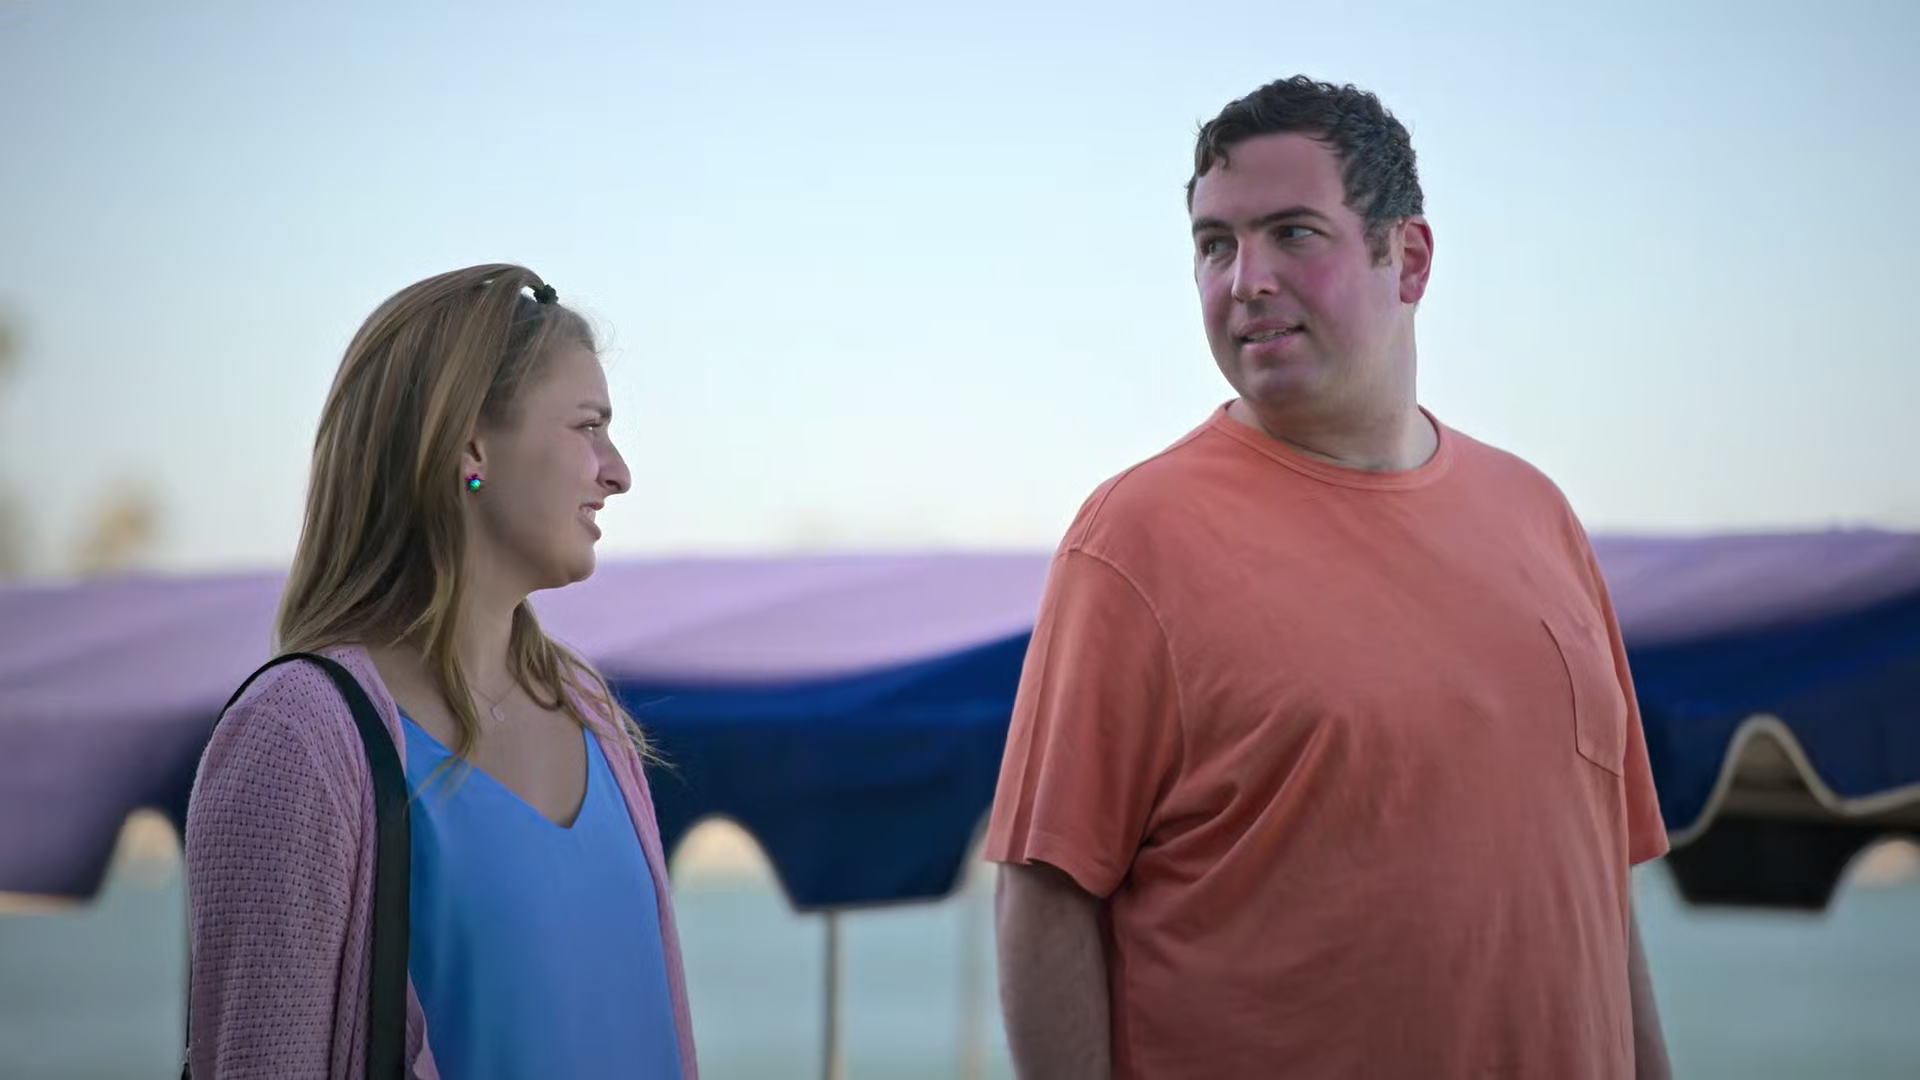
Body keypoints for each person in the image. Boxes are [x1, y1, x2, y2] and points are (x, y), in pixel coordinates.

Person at [985, 77, 1671, 1079]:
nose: (1245, 280)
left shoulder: (1541, 518)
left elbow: (1601, 887)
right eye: (1215, 245)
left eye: (1292, 233)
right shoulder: (1136, 538)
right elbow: (1044, 894)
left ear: (1410, 259)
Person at [184, 264, 697, 1078]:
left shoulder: (593, 713)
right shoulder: (297, 740)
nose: (618, 471)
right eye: (589, 427)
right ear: (470, 445)